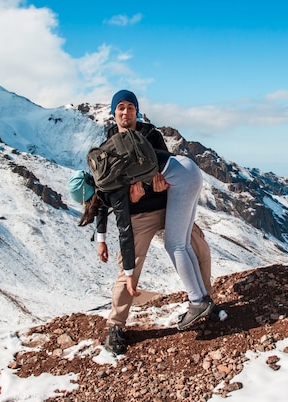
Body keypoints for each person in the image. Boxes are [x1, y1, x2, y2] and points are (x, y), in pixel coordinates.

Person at [72, 90, 225, 355]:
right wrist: (101, 238)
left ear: (136, 112)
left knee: (200, 249)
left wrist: (152, 185)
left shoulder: (151, 134)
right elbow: (102, 200)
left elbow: (162, 172)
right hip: (139, 215)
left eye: (130, 107)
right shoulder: (109, 144)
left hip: (166, 206)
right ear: (114, 113)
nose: (125, 112)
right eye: (120, 108)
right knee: (128, 270)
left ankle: (203, 301)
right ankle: (116, 325)